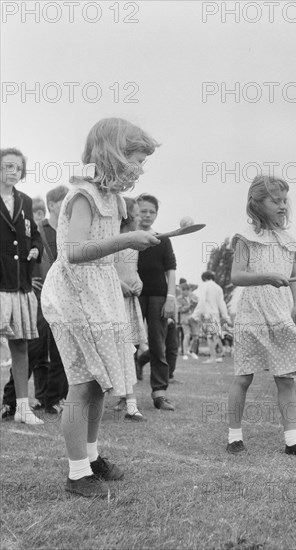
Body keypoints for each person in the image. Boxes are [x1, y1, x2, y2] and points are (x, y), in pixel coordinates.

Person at [41, 118, 160, 498]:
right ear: (112, 154)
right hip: (75, 298)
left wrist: (121, 277)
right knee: (82, 382)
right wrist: (126, 239)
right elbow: (74, 252)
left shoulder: (112, 199)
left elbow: (101, 254)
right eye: (136, 161)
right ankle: (77, 474)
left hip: (101, 293)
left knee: (99, 383)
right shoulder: (83, 196)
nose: (140, 170)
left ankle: (91, 459)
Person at [227, 175, 296, 457]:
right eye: (274, 200)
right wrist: (266, 277)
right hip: (253, 313)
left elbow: (294, 278)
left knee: (286, 377)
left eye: (283, 200)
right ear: (257, 204)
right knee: (243, 377)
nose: (281, 205)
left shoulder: (289, 241)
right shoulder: (246, 239)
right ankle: (234, 436)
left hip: (280, 312)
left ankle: (292, 440)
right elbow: (237, 276)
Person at [2, 185, 69, 419]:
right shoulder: (41, 227)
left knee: (62, 349)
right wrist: (31, 278)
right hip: (41, 297)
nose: (68, 204)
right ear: (52, 204)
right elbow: (27, 250)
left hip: (66, 299)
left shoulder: (72, 230)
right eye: (63, 200)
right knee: (31, 347)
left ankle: (54, 399)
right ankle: (10, 401)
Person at [0, 148, 43, 426]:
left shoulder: (26, 201)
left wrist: (36, 250)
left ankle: (22, 407)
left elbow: (35, 236)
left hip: (20, 284)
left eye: (17, 167)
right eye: (7, 166)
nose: (12, 171)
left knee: (20, 345)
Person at [136, 193, 177, 410]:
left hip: (159, 297)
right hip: (132, 295)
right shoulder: (128, 238)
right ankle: (126, 396)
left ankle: (159, 393)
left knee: (158, 346)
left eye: (152, 212)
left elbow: (171, 269)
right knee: (129, 345)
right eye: (143, 211)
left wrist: (171, 298)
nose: (148, 215)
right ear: (135, 212)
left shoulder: (163, 239)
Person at [113, 197, 148, 421]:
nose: (139, 219)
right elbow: (105, 269)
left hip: (128, 302)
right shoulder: (112, 240)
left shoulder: (134, 244)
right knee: (114, 351)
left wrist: (137, 282)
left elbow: (131, 270)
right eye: (135, 215)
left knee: (127, 351)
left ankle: (131, 404)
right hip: (112, 302)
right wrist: (120, 285)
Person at [192, 271, 230, 364]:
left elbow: (202, 300)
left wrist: (195, 314)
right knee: (215, 335)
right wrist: (225, 316)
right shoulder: (218, 287)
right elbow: (222, 303)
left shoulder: (204, 286)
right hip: (216, 314)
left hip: (207, 314)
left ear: (204, 278)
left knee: (209, 337)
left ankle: (212, 358)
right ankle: (219, 354)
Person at [177, 283, 198, 360]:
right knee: (187, 336)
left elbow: (198, 306)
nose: (185, 292)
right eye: (183, 290)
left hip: (194, 319)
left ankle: (191, 351)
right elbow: (179, 309)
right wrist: (189, 306)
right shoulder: (179, 299)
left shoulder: (194, 297)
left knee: (195, 337)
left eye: (187, 290)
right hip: (185, 320)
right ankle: (185, 353)